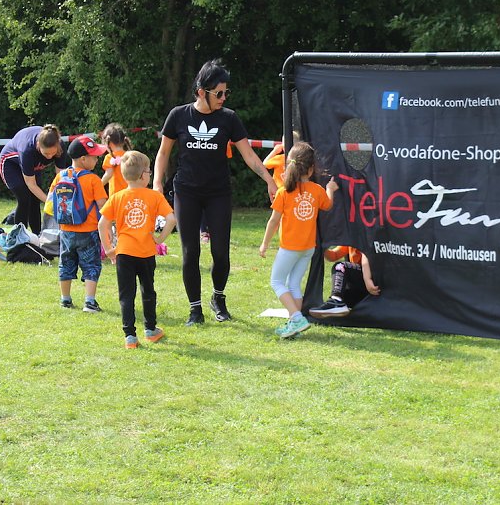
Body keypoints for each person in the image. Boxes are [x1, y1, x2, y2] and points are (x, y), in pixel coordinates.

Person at [153, 58, 278, 325]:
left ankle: (218, 298)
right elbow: (163, 153)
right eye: (218, 93)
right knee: (191, 251)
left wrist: (269, 180)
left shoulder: (229, 119)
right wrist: (156, 185)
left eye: (225, 93)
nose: (223, 97)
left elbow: (249, 156)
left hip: (218, 192)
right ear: (201, 92)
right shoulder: (179, 115)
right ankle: (194, 309)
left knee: (220, 252)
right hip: (186, 191)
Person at [259, 142, 338, 338]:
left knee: (277, 282)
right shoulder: (317, 190)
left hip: (289, 248)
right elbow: (327, 206)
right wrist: (331, 189)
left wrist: (265, 244)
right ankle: (295, 324)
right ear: (311, 170)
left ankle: (296, 317)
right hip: (308, 248)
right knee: (293, 284)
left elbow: (273, 221)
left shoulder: (283, 192)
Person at [99, 151, 177, 349]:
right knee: (148, 290)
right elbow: (171, 219)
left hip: (124, 253)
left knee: (126, 294)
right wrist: (159, 239)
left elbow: (102, 224)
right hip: (146, 252)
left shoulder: (117, 197)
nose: (150, 175)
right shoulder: (154, 196)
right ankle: (151, 330)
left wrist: (109, 249)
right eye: (149, 172)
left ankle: (130, 337)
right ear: (143, 175)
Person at [47, 135, 108, 312]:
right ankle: (89, 301)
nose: (97, 159)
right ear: (83, 159)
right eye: (95, 156)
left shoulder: (60, 177)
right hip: (88, 231)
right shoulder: (93, 179)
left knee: (65, 264)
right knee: (91, 265)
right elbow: (103, 205)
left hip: (66, 230)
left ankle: (65, 299)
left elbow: (51, 203)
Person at [0, 124, 71, 234]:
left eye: (53, 153)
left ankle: (37, 235)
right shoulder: (27, 150)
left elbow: (60, 178)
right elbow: (31, 184)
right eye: (46, 153)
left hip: (33, 166)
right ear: (38, 145)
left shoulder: (60, 147)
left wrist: (62, 199)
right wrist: (50, 201)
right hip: (11, 164)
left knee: (35, 201)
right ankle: (19, 237)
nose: (50, 157)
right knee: (24, 199)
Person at [309, 246, 380, 316]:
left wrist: (367, 279)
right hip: (361, 287)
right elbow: (334, 255)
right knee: (344, 297)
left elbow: (366, 255)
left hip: (373, 284)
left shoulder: (364, 237)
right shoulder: (350, 239)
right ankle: (337, 305)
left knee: (340, 266)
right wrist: (323, 247)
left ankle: (336, 300)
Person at [100, 123, 133, 197]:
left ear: (108, 142)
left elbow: (109, 174)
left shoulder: (109, 157)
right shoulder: (129, 155)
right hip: (130, 193)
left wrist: (98, 186)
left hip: (116, 196)